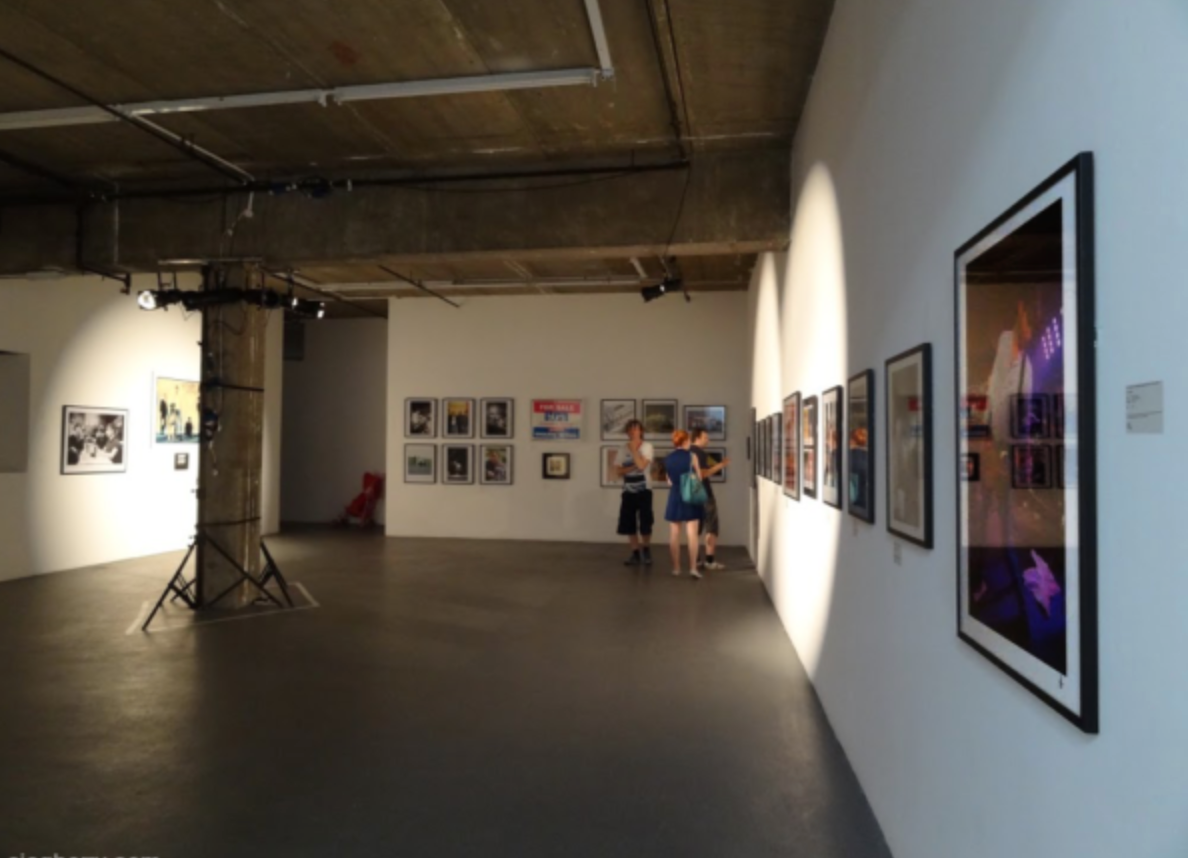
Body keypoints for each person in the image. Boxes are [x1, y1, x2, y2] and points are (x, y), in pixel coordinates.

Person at [664, 430, 705, 578]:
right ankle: (693, 568)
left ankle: (676, 568)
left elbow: (669, 481)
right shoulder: (692, 456)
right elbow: (699, 477)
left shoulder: (668, 458)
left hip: (675, 495)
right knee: (692, 533)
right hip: (690, 494)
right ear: (686, 441)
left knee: (674, 534)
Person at [615, 419, 654, 566]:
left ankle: (646, 550)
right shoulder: (622, 448)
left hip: (644, 490)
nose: (633, 432)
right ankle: (635, 553)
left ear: (641, 431)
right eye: (630, 430)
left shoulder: (647, 446)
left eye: (636, 429)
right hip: (628, 490)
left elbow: (642, 466)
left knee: (645, 522)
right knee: (629, 523)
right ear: (627, 432)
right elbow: (618, 471)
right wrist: (634, 465)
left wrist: (633, 451)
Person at [690, 429, 729, 571]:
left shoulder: (687, 451)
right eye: (705, 437)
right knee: (711, 526)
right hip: (705, 494)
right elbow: (703, 474)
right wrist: (721, 465)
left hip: (692, 495)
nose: (708, 440)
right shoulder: (699, 453)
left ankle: (696, 560)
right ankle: (709, 561)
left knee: (695, 529)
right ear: (697, 438)